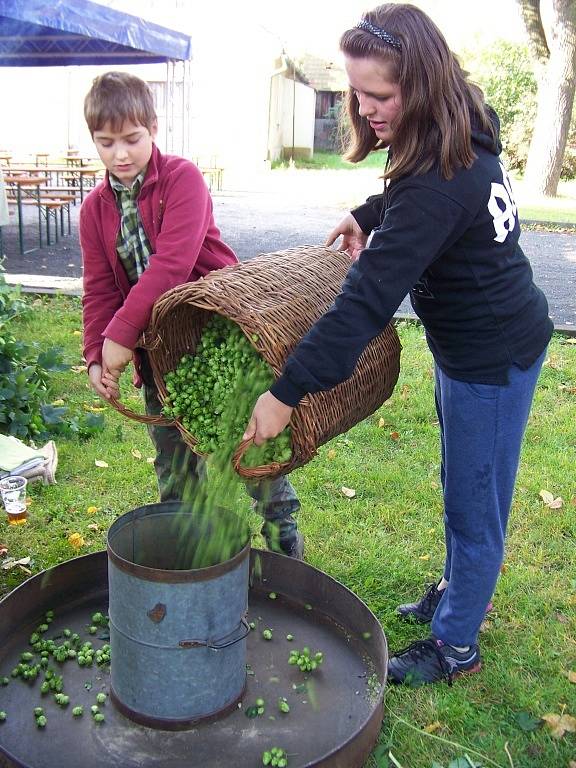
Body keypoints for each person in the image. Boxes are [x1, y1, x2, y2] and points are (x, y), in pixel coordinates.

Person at [243, 4, 553, 684]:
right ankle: (456, 589)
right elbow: (420, 199)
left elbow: (364, 303)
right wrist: (368, 212)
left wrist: (287, 390)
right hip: (469, 349)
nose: (366, 107)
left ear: (421, 83)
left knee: (477, 503)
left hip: (494, 358)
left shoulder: (442, 178)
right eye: (357, 91)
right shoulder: (458, 131)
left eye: (380, 94)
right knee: (460, 481)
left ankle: (455, 648)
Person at [80, 71, 303, 558]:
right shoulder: (95, 209)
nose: (120, 154)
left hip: (218, 340)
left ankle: (284, 544)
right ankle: (189, 564)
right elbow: (98, 289)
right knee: (176, 466)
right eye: (106, 142)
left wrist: (121, 333)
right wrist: (98, 351)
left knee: (249, 449)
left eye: (132, 139)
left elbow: (171, 267)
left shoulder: (182, 179)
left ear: (154, 128)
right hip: (160, 361)